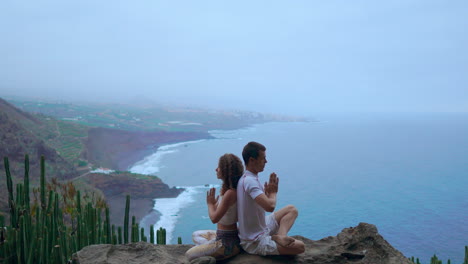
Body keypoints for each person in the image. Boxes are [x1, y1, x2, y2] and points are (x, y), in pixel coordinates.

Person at [237, 141, 305, 256]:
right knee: (300, 247)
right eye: (263, 158)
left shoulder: (247, 178)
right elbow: (270, 207)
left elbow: (259, 203)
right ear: (252, 160)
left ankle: (281, 236)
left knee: (291, 209)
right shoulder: (250, 182)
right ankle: (277, 239)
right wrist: (273, 194)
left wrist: (267, 196)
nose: (266, 161)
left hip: (262, 227)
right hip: (254, 241)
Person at [185, 153, 244, 261]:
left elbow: (214, 218)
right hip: (223, 236)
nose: (216, 169)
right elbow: (226, 213)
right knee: (196, 234)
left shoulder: (230, 193)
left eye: (219, 167)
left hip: (227, 243)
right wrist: (216, 205)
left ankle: (217, 251)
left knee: (189, 254)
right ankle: (210, 248)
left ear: (225, 171)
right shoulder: (231, 190)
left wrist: (210, 204)